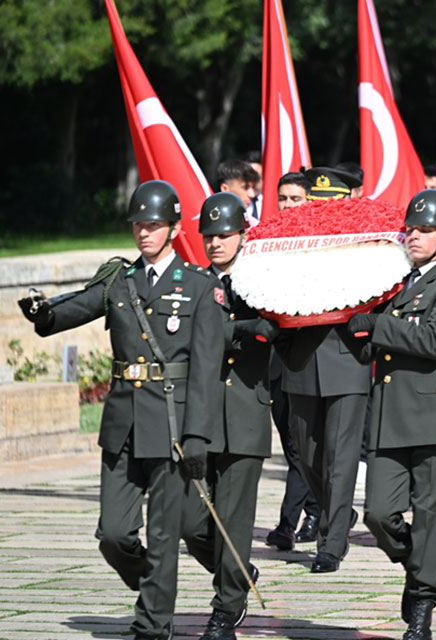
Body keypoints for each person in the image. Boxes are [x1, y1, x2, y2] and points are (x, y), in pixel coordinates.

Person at [17, 180, 223, 639]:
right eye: (138, 226)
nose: (144, 234)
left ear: (171, 227)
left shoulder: (197, 287)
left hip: (171, 420)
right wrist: (43, 314)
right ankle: (156, 582)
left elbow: (207, 371)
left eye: (153, 225)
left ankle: (153, 623)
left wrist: (197, 437)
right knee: (113, 534)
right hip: (124, 422)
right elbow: (77, 308)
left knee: (166, 532)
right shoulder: (119, 280)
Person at [347, 189, 436, 640]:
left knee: (431, 515)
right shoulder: (392, 282)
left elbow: (435, 340)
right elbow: (367, 343)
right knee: (379, 514)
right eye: (411, 228)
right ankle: (415, 563)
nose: (415, 236)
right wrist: (354, 322)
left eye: (425, 230)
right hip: (389, 415)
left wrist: (377, 325)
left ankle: (422, 607)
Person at [181, 192, 275, 640]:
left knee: (235, 519)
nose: (215, 243)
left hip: (243, 414)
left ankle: (226, 609)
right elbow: (197, 335)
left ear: (243, 234)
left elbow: (276, 329)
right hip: (200, 417)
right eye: (209, 236)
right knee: (189, 521)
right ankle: (236, 570)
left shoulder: (265, 281)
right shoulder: (195, 283)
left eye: (224, 235)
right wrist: (240, 331)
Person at [274, 167, 370, 574]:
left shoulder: (367, 243)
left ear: (349, 200)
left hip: (348, 360)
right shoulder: (292, 243)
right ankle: (336, 514)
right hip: (301, 360)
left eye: (335, 202)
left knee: (341, 458)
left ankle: (331, 544)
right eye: (318, 202)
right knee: (308, 457)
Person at [265, 169, 320, 551]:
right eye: (282, 198)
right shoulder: (265, 241)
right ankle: (321, 506)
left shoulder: (320, 245)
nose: (287, 206)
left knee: (303, 447)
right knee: (290, 445)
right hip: (272, 361)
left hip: (309, 359)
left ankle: (288, 524)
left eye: (295, 199)